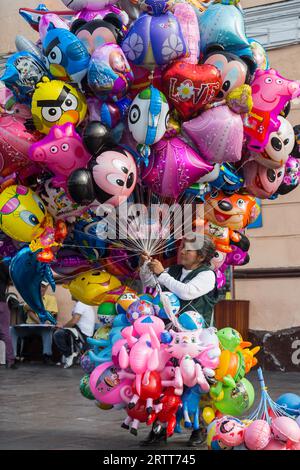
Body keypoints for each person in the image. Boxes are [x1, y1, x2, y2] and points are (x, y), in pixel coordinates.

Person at [139, 233, 219, 447]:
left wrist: (162, 275)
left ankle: (197, 428)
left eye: (189, 249)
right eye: (182, 247)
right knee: (163, 382)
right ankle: (160, 427)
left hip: (196, 341)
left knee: (192, 384)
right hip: (169, 336)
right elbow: (149, 283)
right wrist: (146, 267)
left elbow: (187, 292)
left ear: (201, 256)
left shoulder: (207, 275)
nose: (183, 251)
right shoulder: (173, 271)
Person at [10, 281, 58, 363]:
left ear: (46, 288)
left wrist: (34, 309)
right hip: (29, 326)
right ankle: (13, 356)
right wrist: (40, 320)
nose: (40, 288)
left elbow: (49, 314)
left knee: (47, 330)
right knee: (12, 329)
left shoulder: (51, 299)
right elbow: (29, 311)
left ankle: (47, 355)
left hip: (43, 328)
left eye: (43, 286)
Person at [53, 300, 95, 369]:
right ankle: (74, 353)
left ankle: (69, 355)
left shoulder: (81, 303)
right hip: (85, 334)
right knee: (64, 331)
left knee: (58, 333)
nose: (71, 293)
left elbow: (74, 321)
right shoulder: (84, 303)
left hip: (82, 334)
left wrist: (63, 326)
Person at [0, 264, 17, 369]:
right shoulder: (4, 266)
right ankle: (11, 360)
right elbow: (13, 278)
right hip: (1, 303)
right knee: (6, 333)